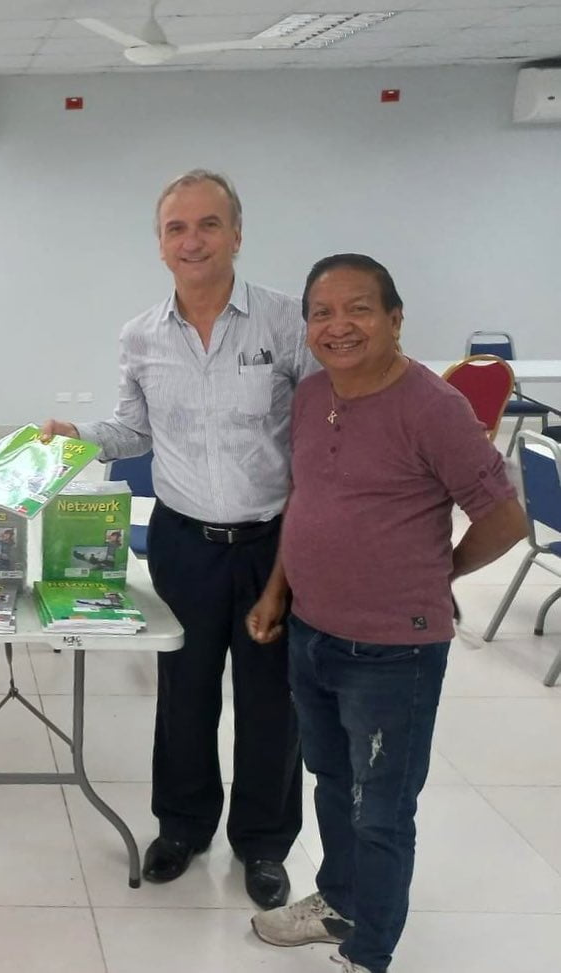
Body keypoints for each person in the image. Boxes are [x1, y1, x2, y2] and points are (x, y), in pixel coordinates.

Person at [247, 254, 526, 973]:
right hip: (312, 632)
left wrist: (441, 572)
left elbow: (504, 518)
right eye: (321, 312)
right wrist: (278, 591)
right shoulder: (312, 396)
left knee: (382, 809)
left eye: (359, 308)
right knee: (333, 783)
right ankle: (338, 901)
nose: (338, 325)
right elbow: (303, 501)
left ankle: (368, 953)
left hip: (392, 651)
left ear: (395, 318)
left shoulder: (434, 407)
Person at [42, 169, 312, 907]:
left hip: (272, 546)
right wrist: (80, 436)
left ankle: (262, 843)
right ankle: (183, 826)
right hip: (183, 539)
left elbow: (325, 426)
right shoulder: (141, 335)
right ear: (160, 245)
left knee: (270, 700)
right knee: (184, 691)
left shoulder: (287, 323)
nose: (192, 240)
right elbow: (134, 430)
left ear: (237, 233)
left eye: (208, 224)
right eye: (176, 228)